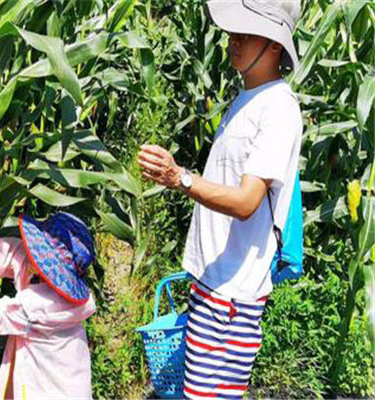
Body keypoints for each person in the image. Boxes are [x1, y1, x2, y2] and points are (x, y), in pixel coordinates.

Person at [138, 1, 303, 398]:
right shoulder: (247, 99)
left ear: (276, 45)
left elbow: (248, 202)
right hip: (214, 285)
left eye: (247, 34)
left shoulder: (278, 107)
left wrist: (180, 178)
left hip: (232, 299)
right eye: (234, 32)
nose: (234, 41)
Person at [0, 212, 96, 400]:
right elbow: (14, 254)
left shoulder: (41, 308)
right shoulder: (49, 279)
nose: (32, 254)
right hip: (72, 383)